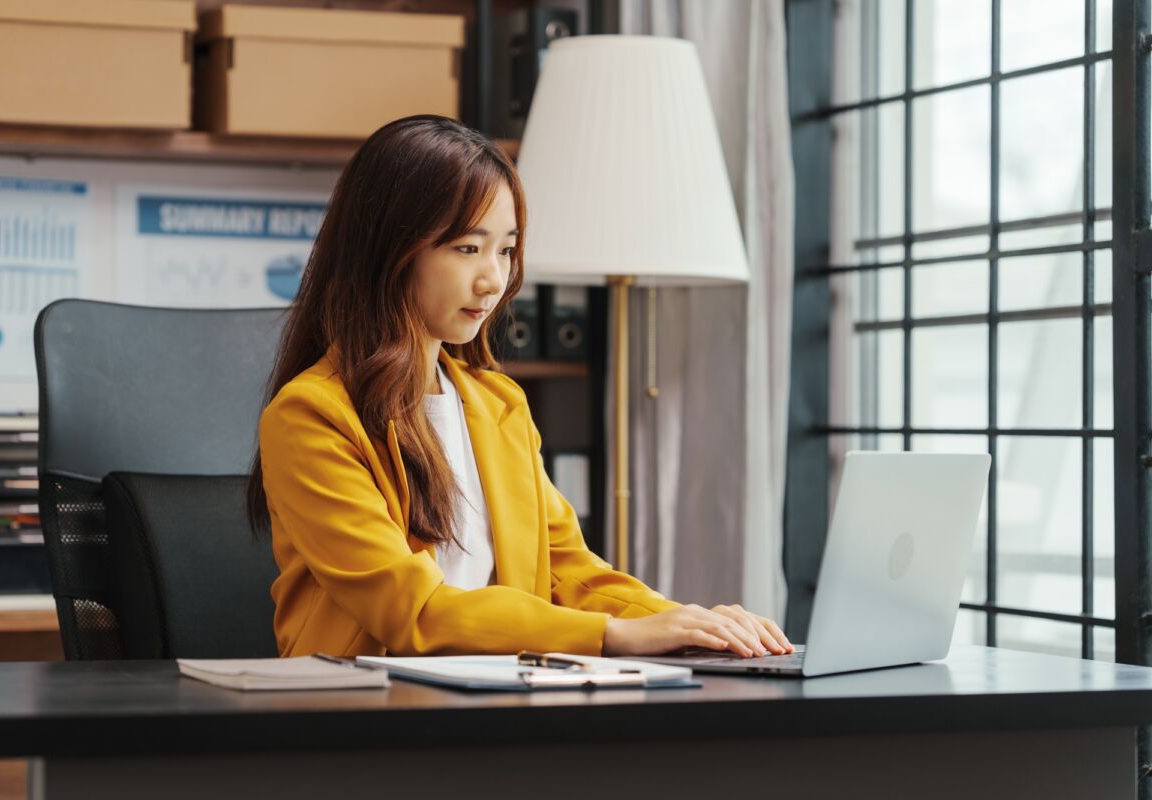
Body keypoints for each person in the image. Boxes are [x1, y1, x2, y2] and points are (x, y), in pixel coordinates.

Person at [247, 114, 792, 659]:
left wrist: (688, 624)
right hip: (363, 699)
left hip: (503, 688)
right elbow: (409, 609)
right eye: (468, 248)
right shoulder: (310, 416)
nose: (494, 280)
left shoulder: (499, 405)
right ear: (389, 250)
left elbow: (569, 571)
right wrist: (611, 635)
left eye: (506, 250)